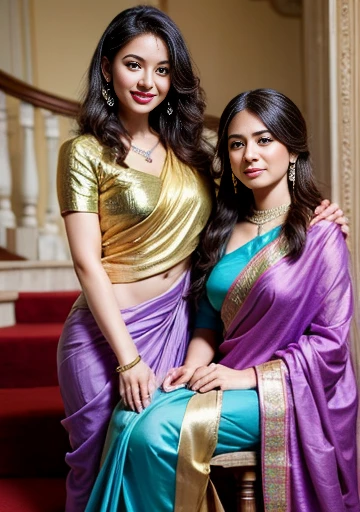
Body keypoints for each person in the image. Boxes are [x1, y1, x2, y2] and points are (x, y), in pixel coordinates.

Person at [56, 5, 348, 510]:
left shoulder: (190, 153)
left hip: (175, 327)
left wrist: (320, 212)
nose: (149, 80)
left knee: (146, 436)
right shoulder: (85, 151)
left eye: (163, 69)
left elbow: (261, 234)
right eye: (133, 64)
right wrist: (130, 360)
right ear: (106, 68)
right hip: (111, 333)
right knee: (97, 457)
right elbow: (87, 264)